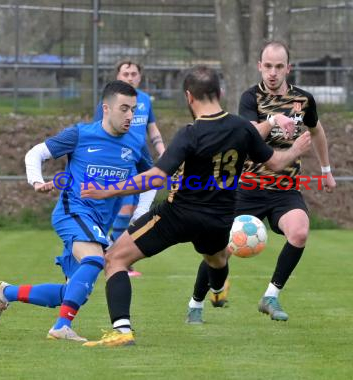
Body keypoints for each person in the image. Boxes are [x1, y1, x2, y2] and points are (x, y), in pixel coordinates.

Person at [79, 65, 312, 347]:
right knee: (217, 260)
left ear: (189, 97)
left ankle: (122, 330)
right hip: (220, 220)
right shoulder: (242, 127)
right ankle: (216, 287)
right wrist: (296, 150)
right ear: (220, 93)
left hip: (179, 215)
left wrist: (106, 191)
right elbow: (274, 162)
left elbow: (155, 177)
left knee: (115, 258)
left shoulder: (191, 133)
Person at [0, 80, 151, 342]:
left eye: (133, 109)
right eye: (124, 109)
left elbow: (151, 178)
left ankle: (7, 292)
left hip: (98, 222)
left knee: (72, 293)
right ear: (106, 109)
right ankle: (61, 326)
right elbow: (35, 153)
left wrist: (141, 211)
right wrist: (36, 181)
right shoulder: (80, 134)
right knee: (97, 260)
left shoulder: (135, 144)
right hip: (73, 212)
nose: (130, 115)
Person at [191, 40, 337, 323]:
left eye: (279, 67)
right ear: (259, 66)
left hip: (285, 189)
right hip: (248, 188)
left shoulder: (304, 100)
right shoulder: (250, 98)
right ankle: (196, 303)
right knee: (220, 249)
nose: (272, 73)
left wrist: (326, 169)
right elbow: (249, 134)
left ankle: (270, 296)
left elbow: (317, 131)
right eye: (267, 66)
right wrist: (273, 119)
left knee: (300, 232)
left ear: (288, 68)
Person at [94, 60, 166, 277]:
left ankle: (114, 257)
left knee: (137, 205)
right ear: (118, 76)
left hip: (140, 158)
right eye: (125, 73)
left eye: (134, 73)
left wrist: (162, 149)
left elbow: (152, 129)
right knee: (124, 209)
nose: (130, 77)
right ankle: (117, 260)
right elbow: (100, 131)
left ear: (139, 77)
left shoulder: (144, 100)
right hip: (119, 160)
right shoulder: (107, 103)